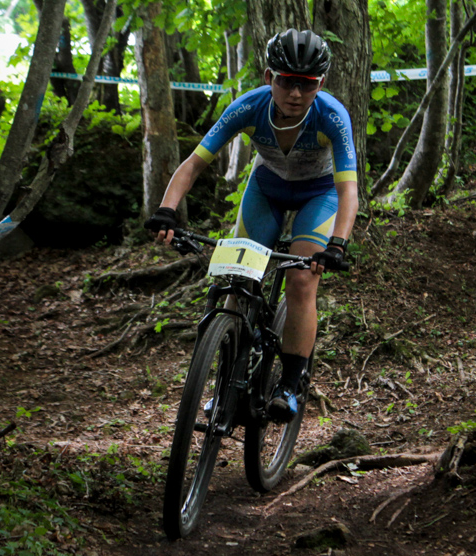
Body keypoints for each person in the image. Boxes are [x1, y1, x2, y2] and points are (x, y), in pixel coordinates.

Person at [147, 29, 357, 423]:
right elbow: (193, 164)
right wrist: (167, 210)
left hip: (320, 195)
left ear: (320, 84)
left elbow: (349, 191)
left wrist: (339, 244)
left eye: (306, 84)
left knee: (300, 280)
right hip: (267, 188)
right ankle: (226, 377)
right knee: (235, 279)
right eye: (285, 81)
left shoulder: (332, 116)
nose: (294, 93)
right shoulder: (247, 107)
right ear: (268, 77)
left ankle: (291, 384)